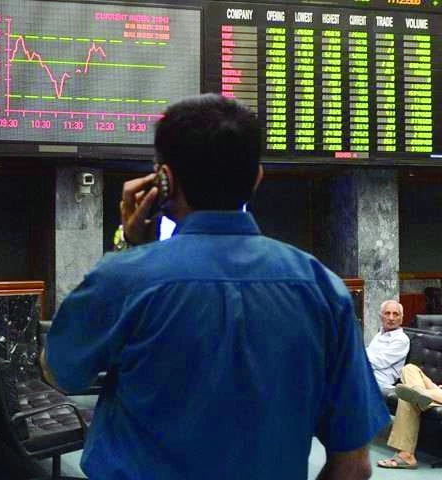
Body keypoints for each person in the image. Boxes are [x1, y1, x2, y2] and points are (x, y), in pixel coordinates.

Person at [40, 94, 389, 480]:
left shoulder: (122, 279)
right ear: (257, 177)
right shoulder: (324, 289)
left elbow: (58, 373)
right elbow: (353, 466)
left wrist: (129, 249)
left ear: (165, 180)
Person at [377, 364, 442, 469]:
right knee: (409, 368)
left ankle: (406, 455)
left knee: (407, 397)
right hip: (437, 392)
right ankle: (420, 394)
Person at [365, 300, 410, 394]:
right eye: (387, 313)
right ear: (381, 317)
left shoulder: (402, 339)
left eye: (395, 314)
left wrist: (357, 359)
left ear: (401, 319)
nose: (391, 318)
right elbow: (368, 352)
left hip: (381, 380)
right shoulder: (380, 334)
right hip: (368, 372)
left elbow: (380, 362)